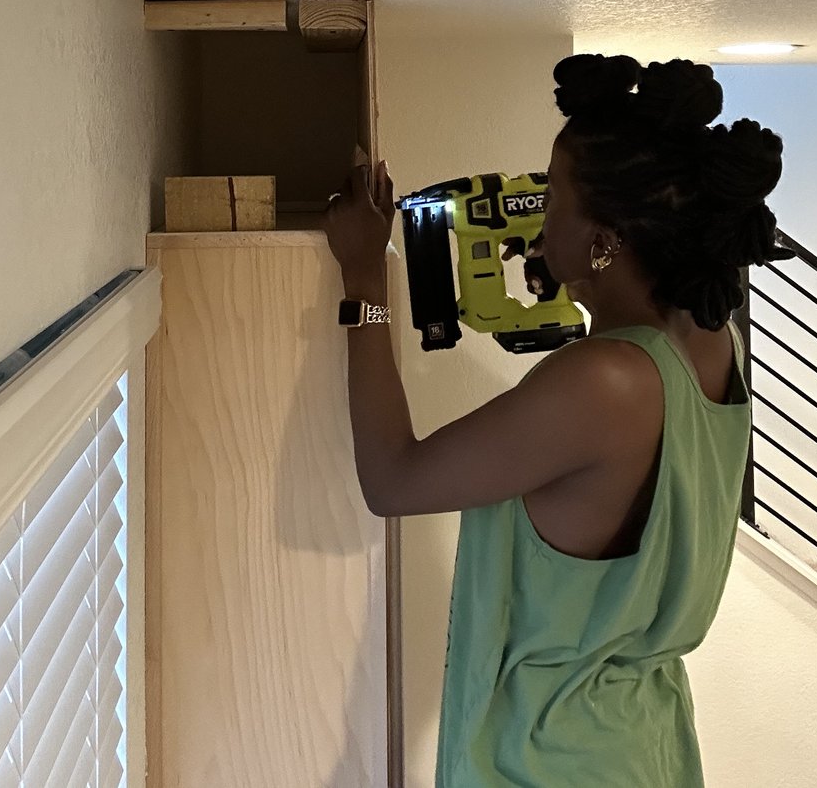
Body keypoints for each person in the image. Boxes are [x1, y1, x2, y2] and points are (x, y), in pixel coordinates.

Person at [325, 53, 784, 787]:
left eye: (553, 198)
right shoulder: (711, 342)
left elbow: (391, 476)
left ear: (605, 236)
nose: (538, 222)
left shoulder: (607, 384)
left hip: (549, 761)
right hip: (644, 747)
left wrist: (364, 281)